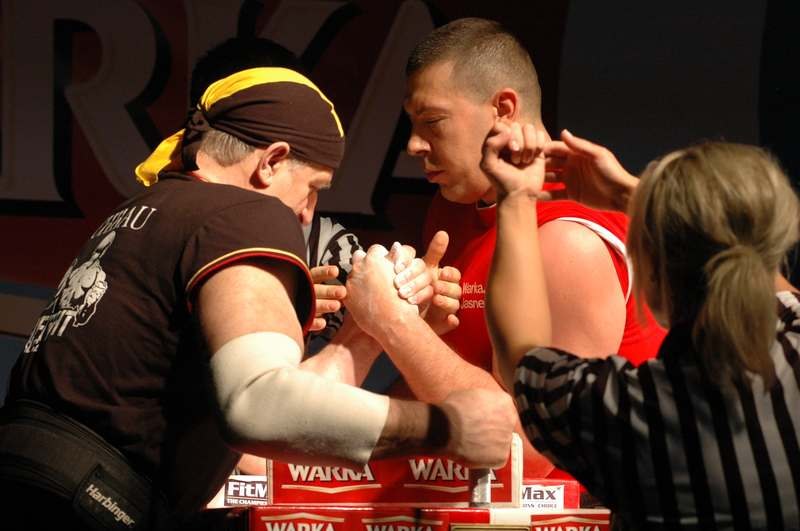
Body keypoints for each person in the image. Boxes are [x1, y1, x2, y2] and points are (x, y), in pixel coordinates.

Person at [0, 67, 516, 530]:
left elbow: (272, 438)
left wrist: (370, 327)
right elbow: (258, 406)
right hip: (81, 504)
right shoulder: (244, 214)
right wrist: (448, 426)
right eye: (313, 187)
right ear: (271, 162)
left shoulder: (147, 211)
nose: (308, 214)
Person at [345, 18, 666, 481]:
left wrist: (395, 326)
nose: (413, 144)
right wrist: (422, 332)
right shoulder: (451, 208)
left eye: (432, 122)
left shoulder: (570, 240)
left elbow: (531, 453)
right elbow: (446, 396)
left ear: (503, 109)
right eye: (412, 124)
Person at [483, 122, 800, 529]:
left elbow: (521, 356)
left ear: (651, 274)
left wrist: (516, 196)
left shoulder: (636, 410)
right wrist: (643, 203)